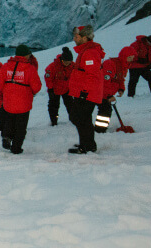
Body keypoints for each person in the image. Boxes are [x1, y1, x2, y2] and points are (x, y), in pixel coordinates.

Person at [0, 45, 42, 154]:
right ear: (26, 55)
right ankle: (16, 148)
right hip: (24, 102)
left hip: (8, 101)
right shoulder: (30, 68)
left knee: (9, 121)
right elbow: (37, 87)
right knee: (21, 127)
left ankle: (6, 136)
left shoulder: (5, 66)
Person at [67, 25, 106, 154]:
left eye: (76, 36)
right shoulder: (86, 51)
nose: (74, 39)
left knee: (80, 118)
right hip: (84, 92)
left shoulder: (90, 53)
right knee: (82, 118)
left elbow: (92, 75)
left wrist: (84, 92)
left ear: (84, 37)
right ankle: (86, 144)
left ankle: (88, 146)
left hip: (86, 93)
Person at [95, 46, 136, 132]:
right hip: (98, 91)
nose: (131, 60)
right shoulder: (111, 64)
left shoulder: (123, 66)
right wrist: (109, 96)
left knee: (105, 110)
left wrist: (121, 89)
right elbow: (104, 81)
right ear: (123, 56)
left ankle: (100, 130)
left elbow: (120, 79)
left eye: (132, 57)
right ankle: (99, 131)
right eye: (129, 57)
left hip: (105, 93)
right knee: (105, 110)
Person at [44, 47, 75, 126]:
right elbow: (48, 78)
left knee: (71, 106)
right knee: (54, 106)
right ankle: (54, 121)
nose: (67, 63)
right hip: (55, 90)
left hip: (67, 89)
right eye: (66, 62)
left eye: (69, 62)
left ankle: (73, 121)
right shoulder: (53, 66)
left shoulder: (73, 65)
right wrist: (50, 89)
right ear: (62, 60)